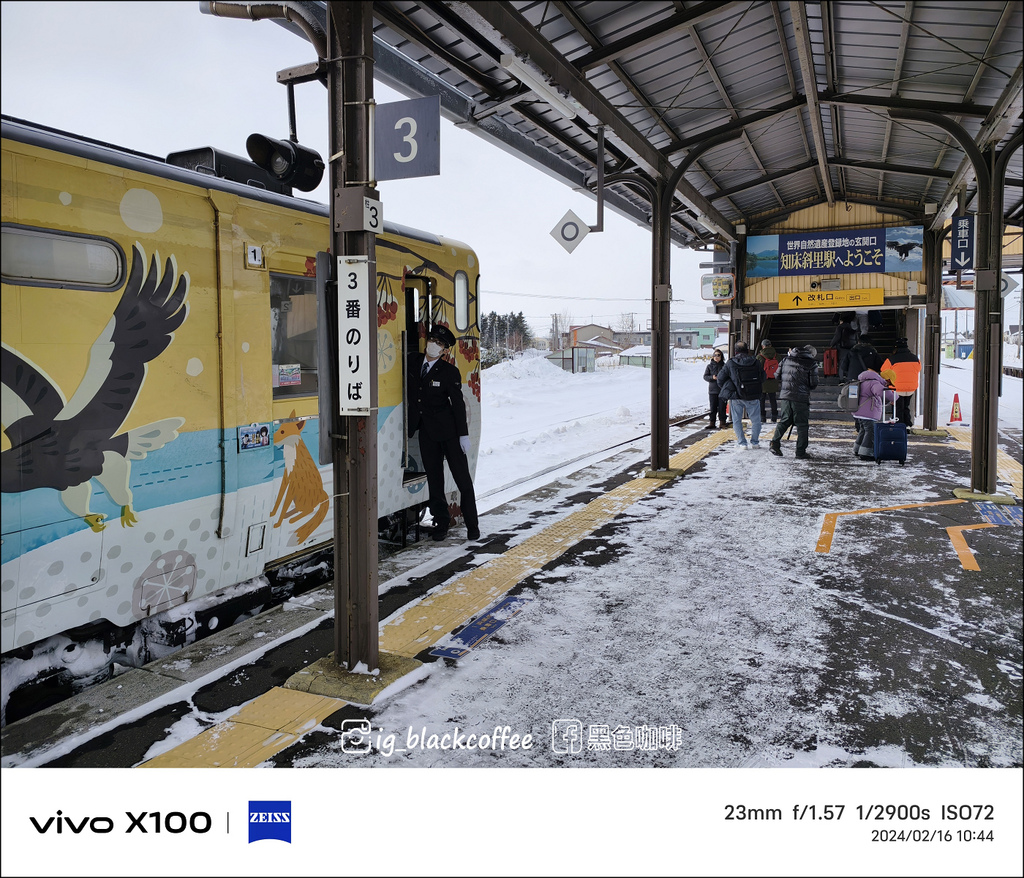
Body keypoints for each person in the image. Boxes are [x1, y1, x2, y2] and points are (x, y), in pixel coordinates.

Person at [408, 324, 480, 541]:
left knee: (462, 480)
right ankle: (441, 523)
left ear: (445, 351)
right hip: (426, 433)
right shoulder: (412, 362)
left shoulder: (450, 372)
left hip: (449, 433)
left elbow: (457, 405)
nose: (433, 345)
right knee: (434, 480)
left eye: (439, 344)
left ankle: (472, 525)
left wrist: (463, 435)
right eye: (432, 340)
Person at [769, 345, 819, 460]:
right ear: (811, 354)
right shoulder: (811, 363)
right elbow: (813, 383)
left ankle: (774, 444)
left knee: (785, 420)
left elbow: (776, 375)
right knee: (802, 425)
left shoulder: (786, 359)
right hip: (801, 398)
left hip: (786, 396)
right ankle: (800, 452)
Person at [717, 342, 765, 448]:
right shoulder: (756, 362)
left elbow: (720, 379)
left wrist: (728, 388)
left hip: (736, 396)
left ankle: (742, 444)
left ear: (735, 351)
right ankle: (755, 442)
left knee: (737, 420)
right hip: (753, 395)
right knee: (756, 420)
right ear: (747, 350)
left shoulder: (730, 363)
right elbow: (763, 377)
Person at [851, 364, 896, 460]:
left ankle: (857, 449)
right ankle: (866, 453)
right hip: (868, 412)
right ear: (887, 379)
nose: (888, 385)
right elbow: (883, 393)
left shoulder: (865, 380)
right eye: (889, 383)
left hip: (859, 411)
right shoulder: (875, 383)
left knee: (864, 430)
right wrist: (895, 396)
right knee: (870, 432)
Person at [881, 337, 921, 427]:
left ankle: (899, 426)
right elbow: (919, 369)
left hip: (897, 388)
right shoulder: (915, 358)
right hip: (911, 388)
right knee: (906, 407)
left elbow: (883, 371)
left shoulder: (892, 359)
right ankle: (908, 424)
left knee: (898, 408)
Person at [702, 349, 729, 429]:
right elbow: (705, 376)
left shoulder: (725, 366)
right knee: (713, 407)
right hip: (712, 390)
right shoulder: (709, 366)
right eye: (715, 355)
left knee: (722, 407)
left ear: (721, 357)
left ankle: (722, 422)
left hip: (722, 390)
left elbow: (728, 376)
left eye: (718, 355)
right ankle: (712, 422)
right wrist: (712, 377)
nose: (716, 357)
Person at [829, 314, 860, 379]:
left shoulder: (840, 327)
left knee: (842, 363)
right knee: (849, 362)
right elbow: (856, 338)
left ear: (842, 321)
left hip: (842, 348)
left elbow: (837, 337)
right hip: (851, 348)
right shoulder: (852, 328)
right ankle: (849, 377)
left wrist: (831, 344)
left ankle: (841, 379)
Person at [757, 339, 780, 422]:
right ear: (770, 345)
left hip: (763, 381)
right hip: (773, 379)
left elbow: (757, 369)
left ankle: (762, 417)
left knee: (761, 400)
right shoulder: (777, 356)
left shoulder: (760, 356)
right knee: (773, 399)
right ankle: (774, 416)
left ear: (763, 346)